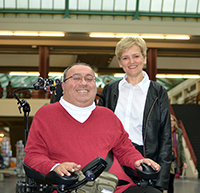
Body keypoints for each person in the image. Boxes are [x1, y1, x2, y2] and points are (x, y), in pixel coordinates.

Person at [24, 63, 161, 193]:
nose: (83, 83)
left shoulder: (108, 115)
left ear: (95, 85)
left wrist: (137, 161)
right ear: (64, 87)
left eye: (89, 79)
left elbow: (124, 150)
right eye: (76, 78)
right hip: (71, 187)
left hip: (115, 187)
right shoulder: (46, 114)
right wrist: (55, 168)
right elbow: (33, 155)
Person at [98, 37, 172, 191]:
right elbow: (98, 128)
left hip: (144, 158)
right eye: (125, 57)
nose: (131, 61)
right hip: (113, 157)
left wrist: (161, 179)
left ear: (144, 59)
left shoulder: (158, 91)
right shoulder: (110, 90)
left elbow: (165, 137)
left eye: (136, 56)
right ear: (120, 62)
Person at [168, 114, 187, 193]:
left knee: (171, 180)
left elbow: (181, 148)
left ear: (175, 122)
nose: (171, 122)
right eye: (169, 121)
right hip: (165, 158)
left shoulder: (178, 132)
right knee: (163, 179)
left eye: (172, 120)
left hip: (174, 159)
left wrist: (184, 161)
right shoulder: (164, 131)